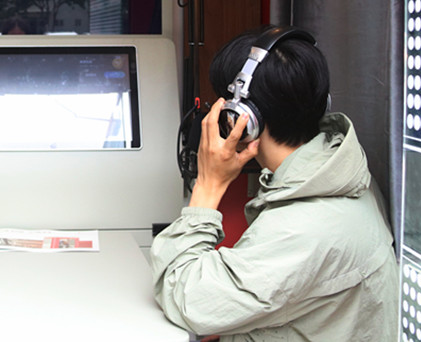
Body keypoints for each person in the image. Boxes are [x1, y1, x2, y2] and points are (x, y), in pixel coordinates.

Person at [151, 25, 398, 340]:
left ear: (239, 117)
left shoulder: (303, 229)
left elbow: (187, 298)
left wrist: (207, 187)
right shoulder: (339, 172)